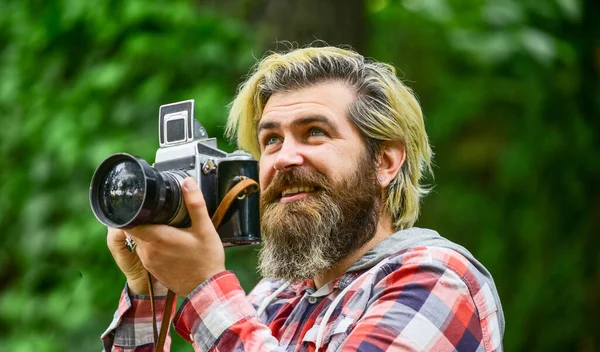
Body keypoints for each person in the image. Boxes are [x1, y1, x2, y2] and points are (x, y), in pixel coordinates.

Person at [101, 46, 504, 351]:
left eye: (314, 132)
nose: (285, 158)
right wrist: (148, 292)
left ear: (385, 161)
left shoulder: (435, 279)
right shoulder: (276, 296)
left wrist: (205, 285)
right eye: (271, 140)